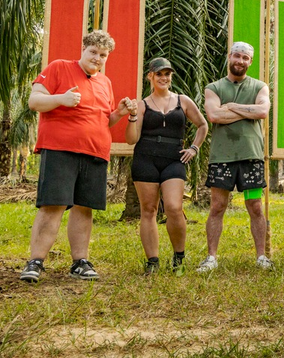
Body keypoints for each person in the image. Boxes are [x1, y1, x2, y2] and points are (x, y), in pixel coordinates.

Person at [20, 30, 136, 282]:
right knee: (53, 205)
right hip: (60, 148)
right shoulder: (59, 67)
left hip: (95, 152)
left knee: (84, 208)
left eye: (103, 55)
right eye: (93, 52)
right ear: (83, 49)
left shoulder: (105, 83)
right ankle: (35, 261)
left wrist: (119, 112)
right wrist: (61, 98)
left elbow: (105, 119)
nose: (97, 58)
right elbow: (34, 101)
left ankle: (80, 262)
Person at [125, 57, 208, 275]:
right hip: (145, 158)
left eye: (167, 74)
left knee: (173, 207)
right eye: (159, 74)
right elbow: (131, 139)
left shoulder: (183, 101)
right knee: (149, 210)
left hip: (174, 159)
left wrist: (194, 148)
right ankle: (152, 262)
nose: (163, 78)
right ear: (150, 76)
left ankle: (178, 258)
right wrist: (133, 116)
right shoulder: (142, 105)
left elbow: (202, 125)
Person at [197, 42, 272, 272]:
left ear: (250, 62)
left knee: (255, 206)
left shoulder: (260, 86)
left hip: (251, 157)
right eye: (237, 56)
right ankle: (211, 258)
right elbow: (213, 115)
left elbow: (262, 112)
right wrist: (245, 111)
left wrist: (230, 107)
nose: (240, 61)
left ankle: (261, 257)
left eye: (245, 58)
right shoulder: (214, 87)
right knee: (218, 206)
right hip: (222, 158)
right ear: (229, 57)